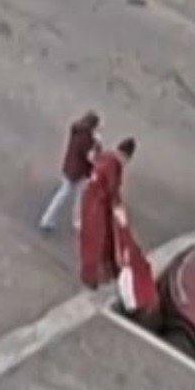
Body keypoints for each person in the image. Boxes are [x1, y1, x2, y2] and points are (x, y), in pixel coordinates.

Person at [77, 137, 135, 289]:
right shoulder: (114, 165)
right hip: (99, 205)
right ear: (126, 156)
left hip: (91, 201)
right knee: (98, 241)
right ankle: (92, 276)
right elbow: (112, 189)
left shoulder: (106, 157)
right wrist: (119, 208)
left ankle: (102, 271)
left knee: (97, 239)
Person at [39, 111, 100, 232]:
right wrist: (97, 144)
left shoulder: (77, 131)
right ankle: (52, 220)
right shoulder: (86, 139)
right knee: (71, 195)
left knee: (70, 194)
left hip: (70, 168)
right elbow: (91, 156)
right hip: (78, 172)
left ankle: (51, 219)